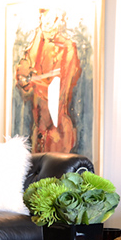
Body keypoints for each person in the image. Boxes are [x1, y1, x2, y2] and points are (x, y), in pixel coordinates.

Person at [14, 8, 82, 153]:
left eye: (49, 19)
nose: (45, 23)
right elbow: (23, 76)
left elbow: (59, 91)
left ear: (58, 20)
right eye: (43, 18)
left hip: (57, 129)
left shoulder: (67, 48)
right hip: (39, 129)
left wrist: (33, 81)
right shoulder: (37, 43)